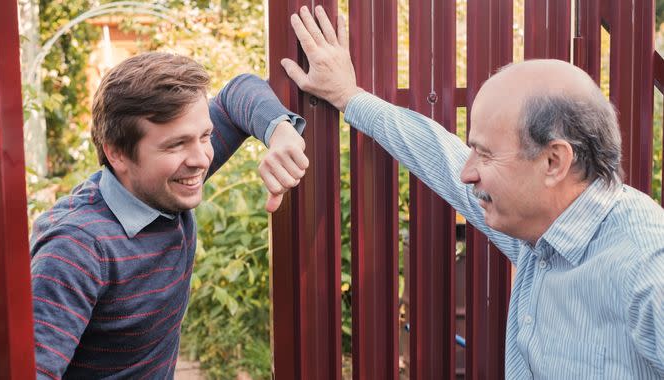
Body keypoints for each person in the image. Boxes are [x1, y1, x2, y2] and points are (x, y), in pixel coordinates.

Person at [281, 6, 664, 379]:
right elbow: (440, 157)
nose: (467, 173)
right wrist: (350, 97)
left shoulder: (647, 265)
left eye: (485, 153)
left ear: (553, 162)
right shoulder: (543, 228)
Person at [30, 52, 308, 379]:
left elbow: (238, 92)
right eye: (176, 145)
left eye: (204, 136)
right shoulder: (77, 250)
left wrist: (282, 134)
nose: (202, 159)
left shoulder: (165, 180)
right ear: (116, 152)